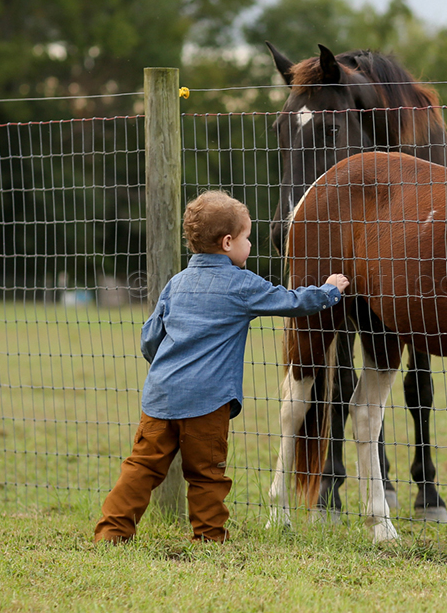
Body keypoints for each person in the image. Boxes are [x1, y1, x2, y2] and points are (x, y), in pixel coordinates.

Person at [94, 189, 348, 544]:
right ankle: (209, 535)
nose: (250, 245)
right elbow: (290, 302)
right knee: (206, 473)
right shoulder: (241, 285)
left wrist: (168, 368)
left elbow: (150, 338)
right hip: (207, 402)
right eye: (247, 237)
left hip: (160, 397)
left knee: (141, 467)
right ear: (228, 242)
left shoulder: (176, 284)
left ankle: (112, 531)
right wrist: (328, 291)